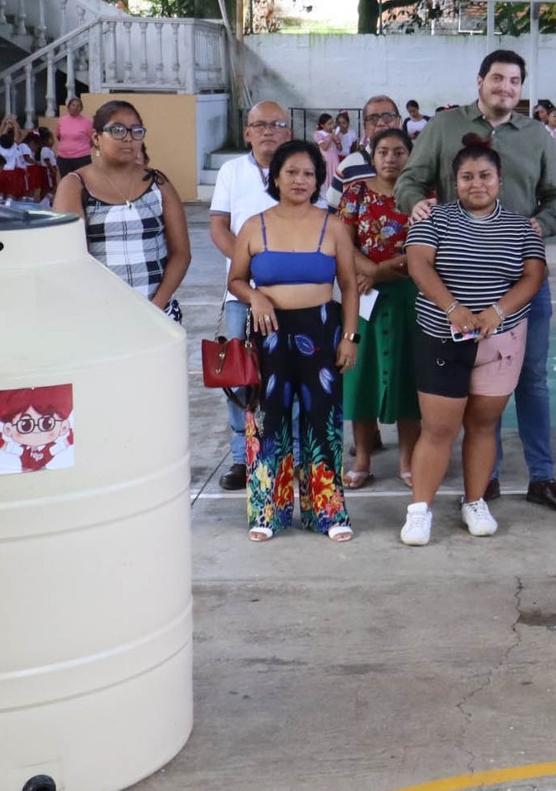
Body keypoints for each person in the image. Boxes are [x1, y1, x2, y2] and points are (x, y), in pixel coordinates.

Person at [397, 51, 556, 512]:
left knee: (531, 379)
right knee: (470, 388)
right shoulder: (443, 127)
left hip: (518, 280)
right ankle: (485, 481)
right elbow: (409, 181)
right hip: (454, 286)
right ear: (480, 81)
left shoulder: (537, 135)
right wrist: (417, 204)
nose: (505, 87)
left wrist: (537, 227)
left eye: (514, 81)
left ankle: (541, 475)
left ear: (521, 88)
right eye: (497, 78)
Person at [398, 138, 548, 546]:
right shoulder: (434, 219)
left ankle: (475, 500)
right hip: (441, 335)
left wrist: (495, 312)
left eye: (485, 176)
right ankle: (419, 511)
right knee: (438, 427)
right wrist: (452, 308)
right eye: (467, 177)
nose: (476, 184)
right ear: (455, 181)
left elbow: (533, 276)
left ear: (500, 180)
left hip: (499, 339)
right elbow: (418, 263)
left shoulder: (521, 227)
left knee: (483, 425)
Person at [224, 140, 359, 542]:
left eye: (309, 174)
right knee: (269, 421)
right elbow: (235, 279)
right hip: (268, 338)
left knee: (323, 423)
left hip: (321, 333)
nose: (300, 180)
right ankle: (267, 512)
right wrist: (256, 296)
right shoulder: (254, 225)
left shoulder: (333, 226)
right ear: (276, 177)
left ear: (318, 180)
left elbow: (349, 287)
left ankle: (328, 511)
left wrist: (349, 337)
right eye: (292, 172)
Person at [209, 100, 295, 490]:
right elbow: (219, 228)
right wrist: (248, 270)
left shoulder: (299, 169)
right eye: (259, 125)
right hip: (241, 293)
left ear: (288, 132)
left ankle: (286, 454)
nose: (268, 131)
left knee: (289, 374)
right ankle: (243, 458)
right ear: (247, 133)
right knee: (240, 376)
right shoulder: (232, 171)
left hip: (293, 294)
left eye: (276, 124)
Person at [52, 100, 191, 321]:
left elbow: (181, 253)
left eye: (136, 131)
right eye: (117, 130)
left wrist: (156, 305)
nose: (128, 138)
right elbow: (69, 258)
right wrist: (102, 309)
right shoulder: (75, 185)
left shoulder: (158, 183)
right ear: (96, 138)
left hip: (157, 314)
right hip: (100, 316)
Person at [338, 127, 419, 490]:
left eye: (399, 151)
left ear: (410, 155)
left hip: (410, 295)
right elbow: (342, 243)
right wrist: (366, 270)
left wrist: (381, 271)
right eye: (383, 151)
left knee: (408, 376)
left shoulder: (420, 197)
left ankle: (408, 460)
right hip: (364, 296)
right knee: (361, 376)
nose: (390, 158)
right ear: (372, 155)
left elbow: (428, 248)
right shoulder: (355, 194)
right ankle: (363, 458)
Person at [323, 96, 403, 208]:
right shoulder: (348, 166)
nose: (380, 123)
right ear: (365, 127)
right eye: (373, 119)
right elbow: (333, 212)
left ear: (399, 121)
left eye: (387, 116)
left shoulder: (416, 162)